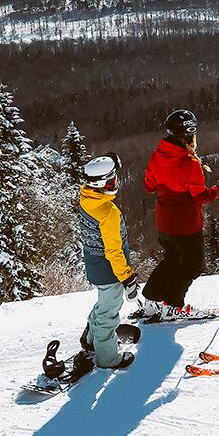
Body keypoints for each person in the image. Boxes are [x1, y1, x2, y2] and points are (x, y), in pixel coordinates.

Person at [140, 108, 219, 320]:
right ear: (190, 133)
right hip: (186, 224)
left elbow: (149, 186)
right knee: (193, 264)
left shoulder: (158, 155)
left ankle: (152, 301)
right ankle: (172, 304)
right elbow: (200, 196)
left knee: (171, 259)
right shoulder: (189, 163)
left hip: (164, 221)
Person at [75, 154, 138, 372]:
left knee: (103, 304)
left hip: (94, 264)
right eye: (111, 181)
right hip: (110, 269)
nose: (116, 184)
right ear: (100, 184)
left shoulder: (86, 199)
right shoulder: (108, 213)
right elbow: (114, 251)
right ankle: (107, 357)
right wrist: (127, 276)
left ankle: (92, 339)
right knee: (109, 312)